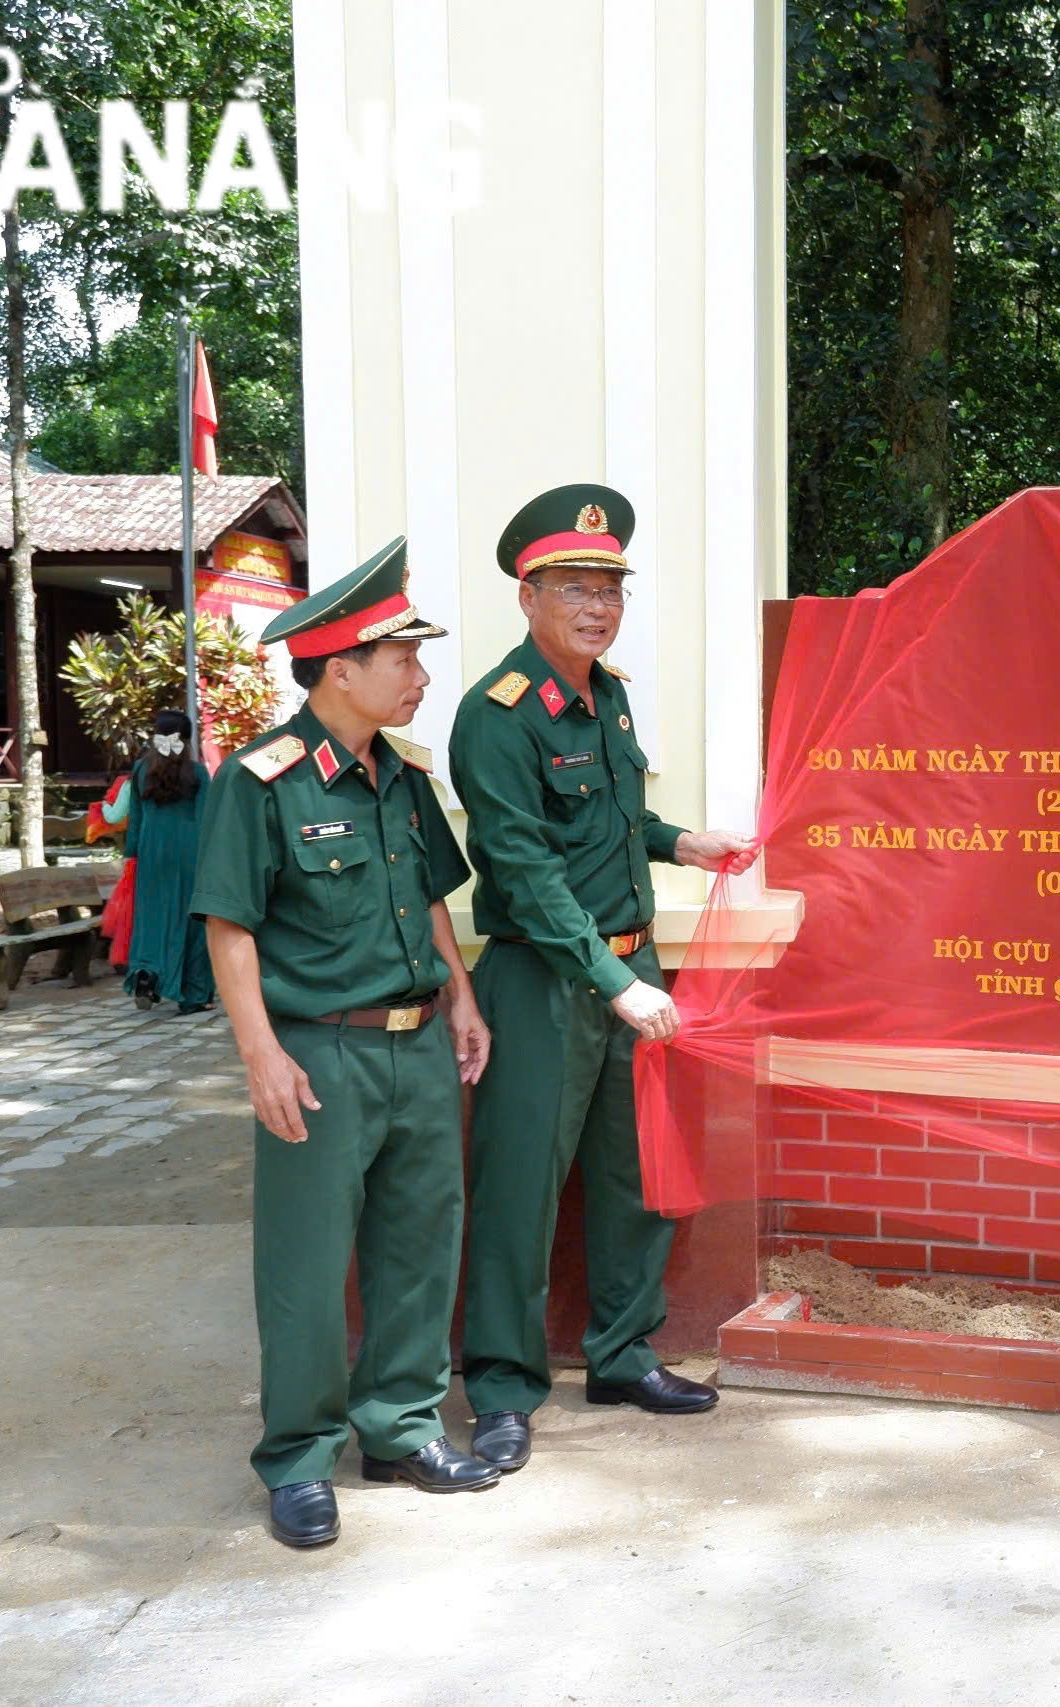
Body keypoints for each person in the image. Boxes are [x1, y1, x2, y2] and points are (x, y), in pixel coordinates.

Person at [191, 538, 500, 1550]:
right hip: (319, 1052)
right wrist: (258, 1053)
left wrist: (461, 998)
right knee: (307, 1265)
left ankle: (401, 1429)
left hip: (417, 1048)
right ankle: (298, 1456)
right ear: (339, 668)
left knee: (418, 1250)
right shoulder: (261, 781)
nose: (419, 678)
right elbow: (228, 926)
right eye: (402, 659)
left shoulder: (404, 778)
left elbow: (431, 899)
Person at [450, 484, 756, 1474]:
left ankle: (623, 1353)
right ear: (527, 595)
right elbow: (526, 869)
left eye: (610, 589)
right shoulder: (496, 716)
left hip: (631, 973)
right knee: (520, 1194)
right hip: (547, 984)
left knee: (637, 1180)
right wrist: (609, 979)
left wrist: (686, 843)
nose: (597, 606)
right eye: (575, 588)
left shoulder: (608, 694)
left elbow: (615, 827)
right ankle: (500, 1388)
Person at [111, 709, 217, 1015]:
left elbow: (136, 817)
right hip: (190, 853)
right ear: (188, 737)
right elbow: (207, 818)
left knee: (152, 920)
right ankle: (194, 995)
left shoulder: (141, 769)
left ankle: (147, 974)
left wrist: (131, 855)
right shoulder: (197, 773)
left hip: (151, 853)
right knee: (193, 922)